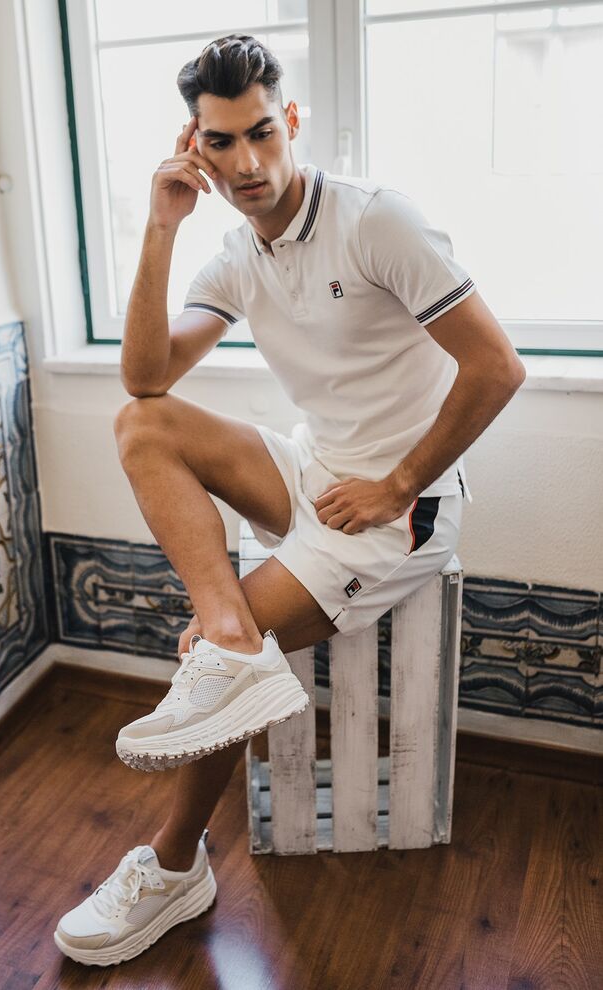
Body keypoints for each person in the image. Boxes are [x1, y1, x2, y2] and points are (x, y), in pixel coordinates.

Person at [54, 35, 526, 966]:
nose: (247, 163)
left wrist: (398, 483)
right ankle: (228, 641)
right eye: (221, 142)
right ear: (196, 145)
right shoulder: (237, 253)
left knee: (221, 669)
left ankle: (174, 864)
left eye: (262, 133)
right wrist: (161, 225)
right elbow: (145, 376)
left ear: (292, 119)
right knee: (142, 426)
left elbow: (497, 367)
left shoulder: (376, 221)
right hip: (315, 470)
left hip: (402, 509)